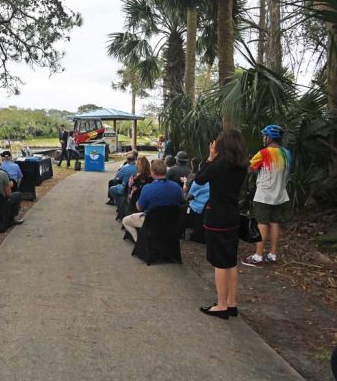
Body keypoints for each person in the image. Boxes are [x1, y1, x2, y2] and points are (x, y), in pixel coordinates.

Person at [194, 129, 248, 319]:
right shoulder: (242, 166)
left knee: (219, 263)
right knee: (231, 261)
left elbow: (199, 179)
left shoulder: (218, 167)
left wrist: (210, 158)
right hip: (233, 217)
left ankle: (221, 305)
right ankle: (232, 303)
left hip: (216, 217)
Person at [241, 124, 292, 267]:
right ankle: (273, 254)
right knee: (275, 223)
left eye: (265, 136)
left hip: (264, 195)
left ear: (269, 137)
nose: (264, 138)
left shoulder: (263, 153)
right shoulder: (287, 154)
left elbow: (249, 170)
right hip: (280, 194)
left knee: (262, 224)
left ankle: (258, 256)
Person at [121, 159, 183, 241]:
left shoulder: (147, 188)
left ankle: (139, 242)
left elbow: (139, 207)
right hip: (171, 222)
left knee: (125, 221)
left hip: (152, 222)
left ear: (153, 172)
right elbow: (181, 202)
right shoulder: (177, 187)